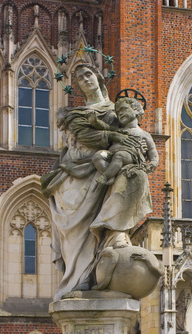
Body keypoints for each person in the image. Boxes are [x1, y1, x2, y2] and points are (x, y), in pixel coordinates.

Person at [41, 63, 155, 300]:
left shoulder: (117, 110)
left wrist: (135, 148)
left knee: (131, 180)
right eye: (80, 78)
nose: (85, 79)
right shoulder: (77, 113)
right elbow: (85, 136)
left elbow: (134, 136)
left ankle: (100, 266)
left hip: (104, 172)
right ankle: (77, 280)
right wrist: (114, 136)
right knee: (75, 231)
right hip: (76, 172)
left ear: (100, 78)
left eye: (88, 74)